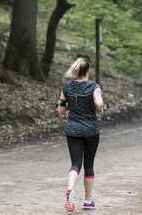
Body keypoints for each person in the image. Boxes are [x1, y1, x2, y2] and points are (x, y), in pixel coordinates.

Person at [56, 58, 103, 212]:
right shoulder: (94, 87)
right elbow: (99, 105)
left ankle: (70, 189)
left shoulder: (67, 87)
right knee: (88, 165)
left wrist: (71, 103)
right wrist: (99, 107)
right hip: (90, 131)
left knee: (75, 163)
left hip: (73, 130)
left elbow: (60, 109)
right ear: (88, 70)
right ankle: (88, 201)